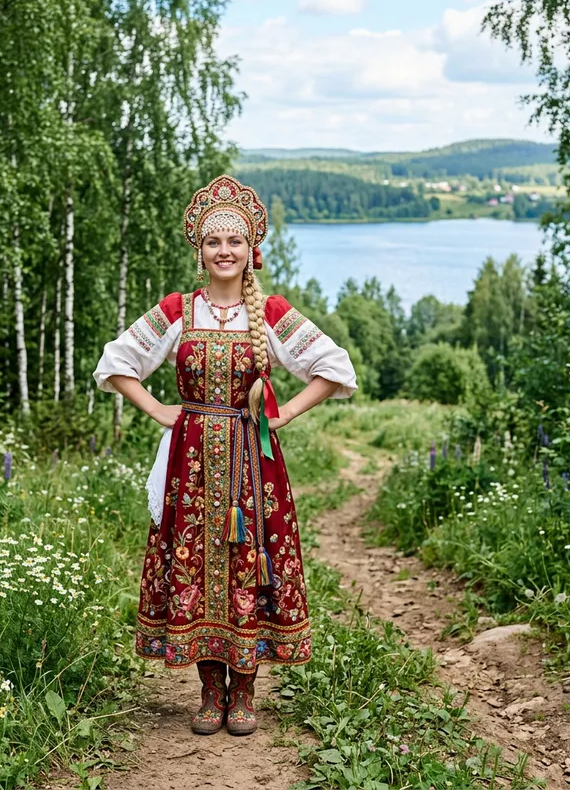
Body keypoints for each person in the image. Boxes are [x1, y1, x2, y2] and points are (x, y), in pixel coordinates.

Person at [93, 175, 357, 736]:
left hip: (251, 464)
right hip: (191, 465)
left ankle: (245, 691)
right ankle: (210, 690)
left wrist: (284, 414)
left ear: (250, 249)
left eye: (234, 241)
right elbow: (115, 362)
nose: (224, 251)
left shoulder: (271, 314)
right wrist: (158, 409)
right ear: (200, 250)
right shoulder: (177, 311)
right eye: (213, 242)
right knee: (195, 561)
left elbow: (335, 368)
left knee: (247, 561)